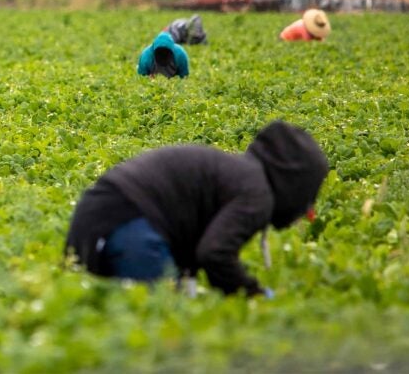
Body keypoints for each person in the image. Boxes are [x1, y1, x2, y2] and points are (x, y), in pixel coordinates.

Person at [65, 120, 328, 297]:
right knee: (157, 327)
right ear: (295, 185)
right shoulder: (256, 192)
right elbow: (214, 254)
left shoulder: (239, 173)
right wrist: (254, 295)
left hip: (98, 215)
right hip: (129, 223)